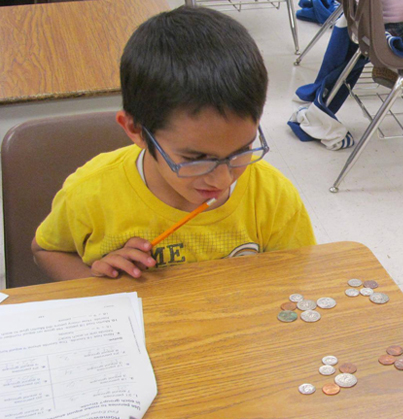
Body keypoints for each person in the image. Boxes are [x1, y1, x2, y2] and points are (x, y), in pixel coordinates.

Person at [32, 6, 316, 281]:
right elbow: (45, 251)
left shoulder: (273, 198)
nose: (222, 179)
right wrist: (97, 283)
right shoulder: (90, 193)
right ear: (136, 130)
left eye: (241, 151)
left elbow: (299, 275)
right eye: (196, 159)